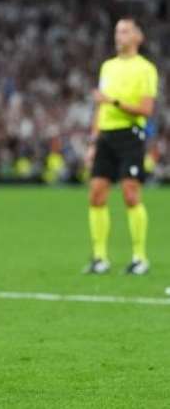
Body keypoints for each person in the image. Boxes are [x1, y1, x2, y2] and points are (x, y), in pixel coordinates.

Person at [85, 18, 157, 275]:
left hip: (130, 135)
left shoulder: (146, 69)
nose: (120, 36)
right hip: (105, 136)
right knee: (96, 195)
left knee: (130, 194)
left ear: (138, 37)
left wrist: (113, 101)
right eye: (117, 31)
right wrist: (92, 142)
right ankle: (99, 258)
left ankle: (139, 257)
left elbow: (147, 109)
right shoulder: (108, 67)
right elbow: (99, 106)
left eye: (125, 31)